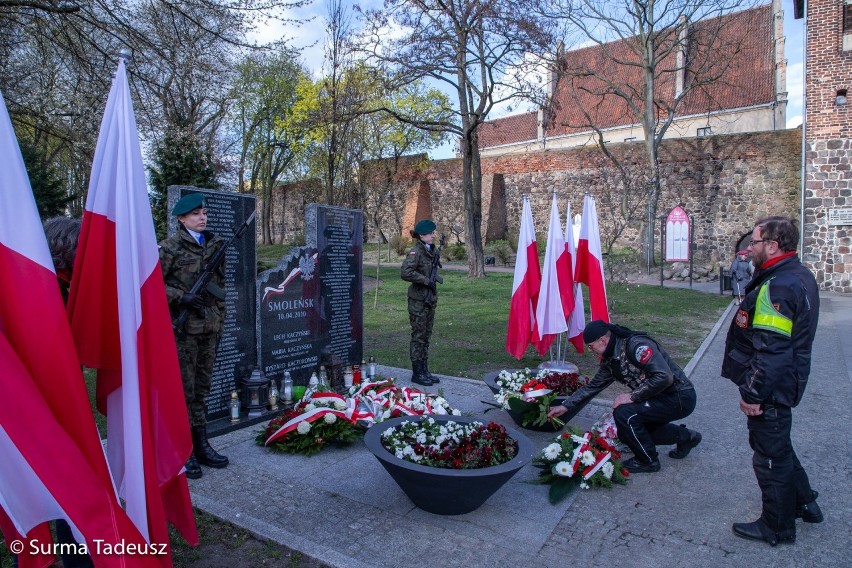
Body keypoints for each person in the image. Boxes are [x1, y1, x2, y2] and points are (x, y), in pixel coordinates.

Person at [722, 216, 822, 546]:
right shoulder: (795, 274)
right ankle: (805, 502)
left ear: (773, 246)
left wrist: (753, 393)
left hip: (772, 390)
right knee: (780, 447)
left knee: (769, 458)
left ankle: (776, 527)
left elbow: (773, 352)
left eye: (755, 242)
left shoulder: (778, 285)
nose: (750, 248)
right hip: (783, 384)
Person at [547, 320, 701, 473]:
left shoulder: (635, 346)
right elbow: (592, 387)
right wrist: (565, 406)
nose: (590, 350)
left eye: (590, 346)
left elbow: (664, 376)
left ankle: (648, 461)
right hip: (658, 397)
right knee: (627, 431)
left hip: (679, 396)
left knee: (624, 413)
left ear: (602, 340)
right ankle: (687, 437)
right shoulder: (610, 360)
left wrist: (632, 396)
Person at [159, 193, 229, 479]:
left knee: (202, 389)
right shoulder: (170, 247)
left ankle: (202, 443)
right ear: (181, 218)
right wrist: (181, 296)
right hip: (183, 331)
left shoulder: (214, 244)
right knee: (183, 392)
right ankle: (183, 450)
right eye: (196, 214)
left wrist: (219, 319)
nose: (203, 217)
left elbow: (220, 287)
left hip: (209, 328)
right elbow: (151, 285)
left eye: (204, 213)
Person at [43, 217, 93, 568]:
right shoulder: (42, 287)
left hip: (65, 397)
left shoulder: (65, 285)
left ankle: (69, 553)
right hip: (42, 405)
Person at [400, 219, 443, 386]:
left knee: (426, 336)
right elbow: (405, 272)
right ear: (422, 235)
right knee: (418, 336)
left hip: (430, 299)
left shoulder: (431, 250)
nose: (433, 235)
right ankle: (417, 372)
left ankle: (425, 369)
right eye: (431, 233)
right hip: (418, 300)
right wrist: (425, 280)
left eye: (433, 233)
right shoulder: (415, 252)